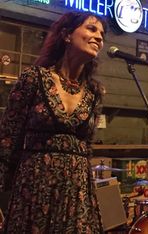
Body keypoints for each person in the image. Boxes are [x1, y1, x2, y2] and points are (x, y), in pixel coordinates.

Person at [0, 11, 107, 233]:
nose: (99, 37)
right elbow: (7, 141)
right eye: (91, 29)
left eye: (102, 34)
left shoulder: (94, 92)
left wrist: (87, 195)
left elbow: (87, 147)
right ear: (67, 35)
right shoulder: (34, 79)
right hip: (35, 187)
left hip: (76, 192)